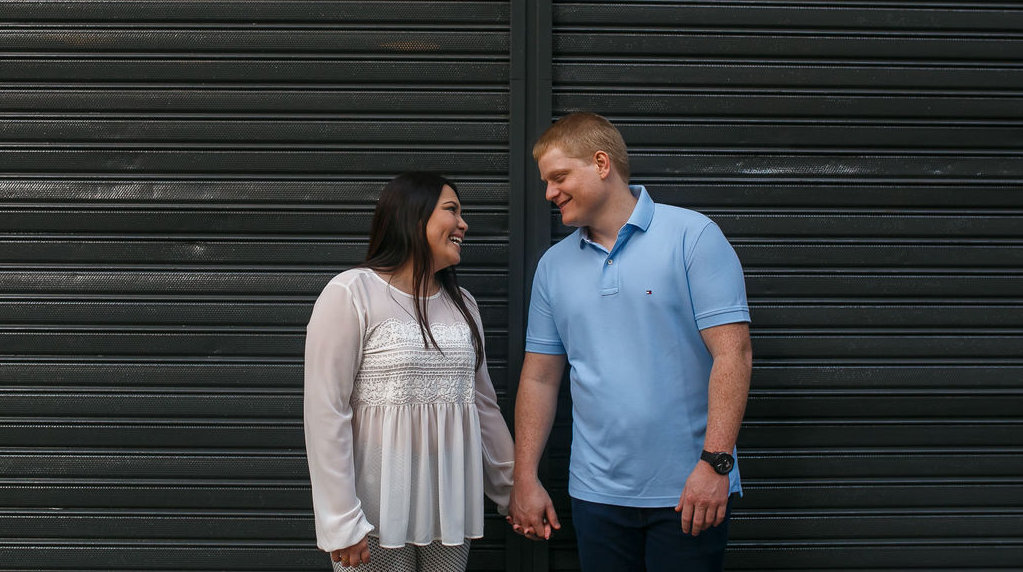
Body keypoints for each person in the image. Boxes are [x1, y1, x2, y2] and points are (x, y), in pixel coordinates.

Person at [508, 112, 752, 572]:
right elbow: (540, 377)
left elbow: (733, 354)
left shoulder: (693, 236)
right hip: (595, 495)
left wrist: (715, 465)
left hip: (690, 491)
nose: (549, 193)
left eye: (559, 177)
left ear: (601, 163)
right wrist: (524, 477)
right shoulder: (553, 266)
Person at [304, 171, 514, 571]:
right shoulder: (351, 293)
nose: (464, 224)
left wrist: (514, 491)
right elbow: (325, 412)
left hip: (448, 510)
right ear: (414, 217)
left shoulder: (463, 304)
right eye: (452, 210)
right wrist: (341, 522)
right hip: (373, 517)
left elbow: (484, 407)